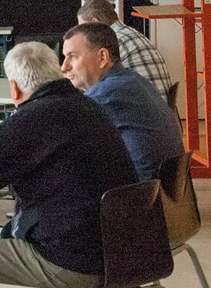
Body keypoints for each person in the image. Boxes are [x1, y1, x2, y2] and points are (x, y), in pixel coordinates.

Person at [0, 41, 137, 288]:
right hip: (122, 256)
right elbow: (43, 158)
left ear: (14, 87)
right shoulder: (87, 106)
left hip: (71, 264)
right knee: (4, 238)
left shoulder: (30, 118)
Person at [62, 22, 182, 180]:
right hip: (160, 186)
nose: (64, 67)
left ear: (102, 57)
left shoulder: (107, 93)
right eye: (65, 57)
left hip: (139, 189)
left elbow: (60, 130)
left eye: (73, 56)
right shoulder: (132, 79)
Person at [77, 0, 173, 101]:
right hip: (159, 106)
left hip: (144, 107)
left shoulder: (114, 40)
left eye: (83, 27)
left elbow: (92, 82)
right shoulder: (130, 34)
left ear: (95, 23)